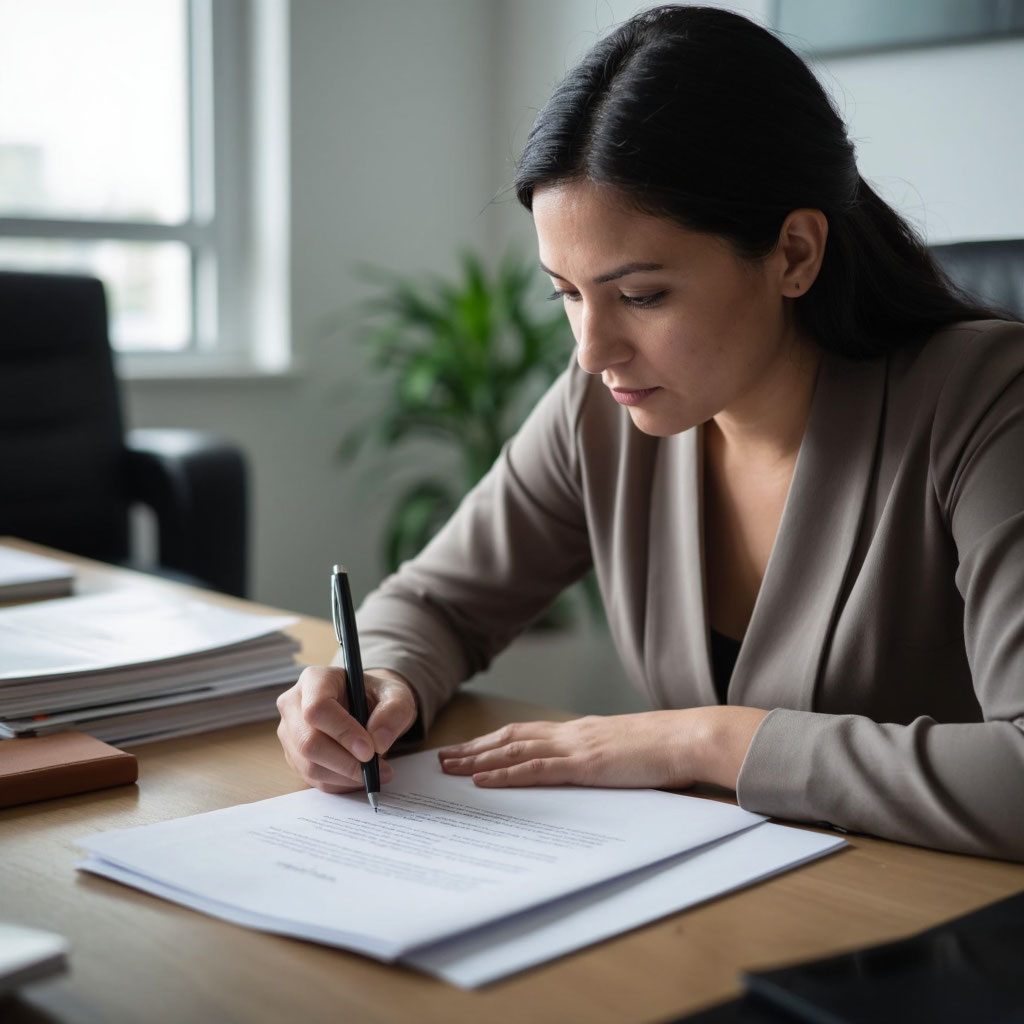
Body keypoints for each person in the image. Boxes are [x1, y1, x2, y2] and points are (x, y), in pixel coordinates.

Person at [277, 5, 1024, 861]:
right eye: (566, 292)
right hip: (717, 905)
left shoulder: (988, 398)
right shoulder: (605, 405)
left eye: (641, 296)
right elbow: (440, 601)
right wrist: (377, 682)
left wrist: (700, 740)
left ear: (794, 253)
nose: (592, 350)